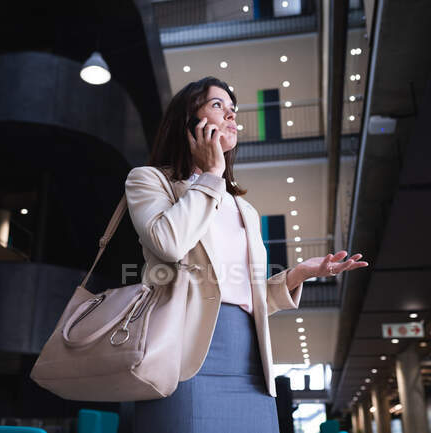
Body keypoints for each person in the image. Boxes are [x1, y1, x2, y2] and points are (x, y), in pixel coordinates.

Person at [124, 76, 368, 433]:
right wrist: (211, 176)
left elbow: (248, 297)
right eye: (218, 105)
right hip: (182, 349)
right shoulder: (149, 181)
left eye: (234, 110)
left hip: (249, 355)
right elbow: (169, 243)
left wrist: (299, 272)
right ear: (187, 121)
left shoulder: (243, 209)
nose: (231, 117)